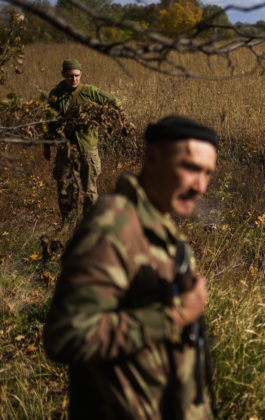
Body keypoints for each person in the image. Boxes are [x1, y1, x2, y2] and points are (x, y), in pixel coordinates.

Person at [44, 115, 219, 419]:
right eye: (190, 168)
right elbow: (66, 335)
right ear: (152, 158)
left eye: (207, 173)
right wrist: (173, 316)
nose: (200, 186)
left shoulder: (160, 229)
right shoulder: (114, 226)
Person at [45, 58, 120, 222]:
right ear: (63, 74)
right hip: (65, 149)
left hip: (87, 148)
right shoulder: (55, 94)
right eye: (70, 76)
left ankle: (91, 227)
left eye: (77, 76)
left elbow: (116, 103)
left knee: (90, 190)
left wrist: (97, 116)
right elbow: (49, 121)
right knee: (64, 187)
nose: (74, 79)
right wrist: (47, 145)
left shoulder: (90, 91)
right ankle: (68, 223)